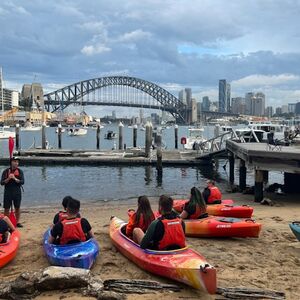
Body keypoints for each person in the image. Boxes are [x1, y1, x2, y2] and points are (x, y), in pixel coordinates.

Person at [1, 156, 25, 228]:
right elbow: (2, 183)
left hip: (17, 192)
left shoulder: (20, 171)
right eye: (15, 161)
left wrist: (14, 178)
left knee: (17, 207)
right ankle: (6, 223)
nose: (16, 163)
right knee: (6, 208)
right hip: (8, 192)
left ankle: (17, 222)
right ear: (11, 162)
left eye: (17, 162)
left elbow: (22, 182)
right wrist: (8, 178)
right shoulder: (5, 171)